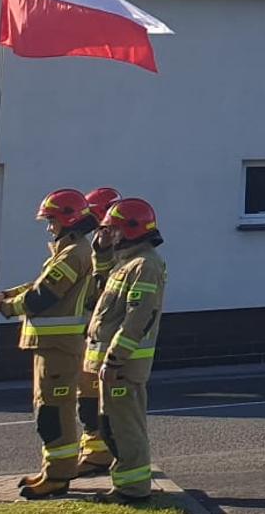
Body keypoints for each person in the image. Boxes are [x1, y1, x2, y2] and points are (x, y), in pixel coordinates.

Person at [0, 189, 96, 499]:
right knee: (47, 409)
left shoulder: (74, 253)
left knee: (54, 412)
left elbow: (44, 295)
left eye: (51, 221)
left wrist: (6, 307)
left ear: (67, 220)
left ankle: (59, 477)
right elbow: (38, 284)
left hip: (59, 346)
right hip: (52, 346)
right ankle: (52, 470)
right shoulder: (68, 250)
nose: (49, 228)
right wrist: (7, 295)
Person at [86, 198, 168, 503]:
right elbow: (102, 290)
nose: (110, 234)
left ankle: (133, 491)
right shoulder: (128, 262)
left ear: (132, 230)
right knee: (112, 428)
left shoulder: (146, 265)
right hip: (115, 365)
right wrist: (101, 251)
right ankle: (124, 487)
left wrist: (116, 358)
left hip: (124, 366)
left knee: (126, 429)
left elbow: (138, 317)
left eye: (115, 229)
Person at [72, 186, 122, 478]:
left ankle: (98, 456)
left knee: (94, 402)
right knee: (89, 400)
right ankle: (96, 452)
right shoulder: (99, 246)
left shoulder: (118, 250)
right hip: (92, 332)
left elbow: (104, 284)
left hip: (104, 336)